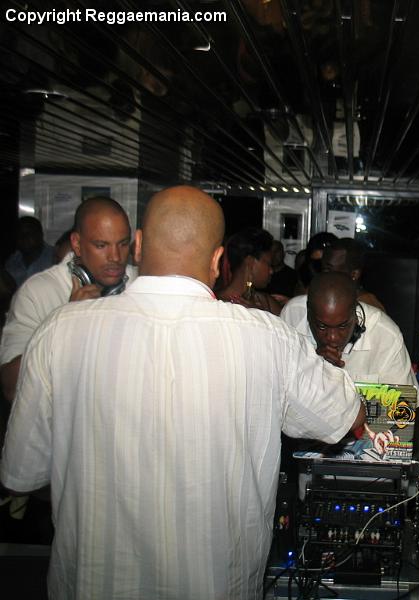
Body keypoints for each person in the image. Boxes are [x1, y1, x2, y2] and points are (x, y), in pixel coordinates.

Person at [0, 186, 365, 600]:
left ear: (138, 245)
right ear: (217, 261)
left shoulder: (59, 331)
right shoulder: (267, 338)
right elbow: (345, 414)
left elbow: (20, 473)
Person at [0, 197, 136, 404]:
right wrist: (67, 324)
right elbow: (11, 387)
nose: (116, 257)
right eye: (101, 245)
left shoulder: (140, 284)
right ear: (77, 244)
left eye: (123, 244)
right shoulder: (38, 292)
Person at [281, 271, 419, 406]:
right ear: (308, 312)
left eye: (342, 326)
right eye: (322, 326)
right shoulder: (291, 317)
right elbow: (278, 392)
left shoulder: (384, 335)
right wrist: (312, 365)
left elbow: (406, 410)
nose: (332, 338)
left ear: (355, 312)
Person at [216, 227, 282, 315]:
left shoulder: (267, 303)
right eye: (269, 264)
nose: (271, 271)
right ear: (250, 262)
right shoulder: (215, 304)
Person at [321, 237, 385, 311]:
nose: (322, 276)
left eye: (329, 270)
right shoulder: (332, 298)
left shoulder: (368, 307)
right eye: (323, 269)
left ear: (354, 274)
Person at [4, 216, 54, 287]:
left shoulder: (55, 257)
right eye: (20, 234)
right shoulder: (12, 262)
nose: (24, 238)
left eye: (29, 233)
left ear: (40, 234)